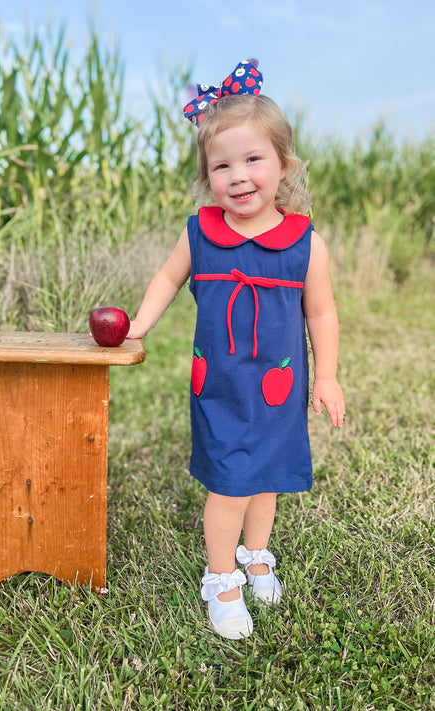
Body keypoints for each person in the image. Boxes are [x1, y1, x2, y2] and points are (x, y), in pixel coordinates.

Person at [127, 59, 345, 640]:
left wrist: (326, 378)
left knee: (266, 480)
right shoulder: (200, 233)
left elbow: (321, 312)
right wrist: (138, 327)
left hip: (279, 386)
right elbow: (168, 280)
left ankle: (255, 555)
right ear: (207, 176)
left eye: (253, 159)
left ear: (283, 166)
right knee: (229, 485)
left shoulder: (305, 243)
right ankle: (221, 580)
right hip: (220, 385)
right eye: (222, 165)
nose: (239, 175)